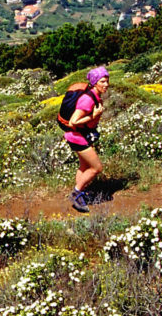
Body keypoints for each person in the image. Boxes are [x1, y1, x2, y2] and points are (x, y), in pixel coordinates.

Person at [64, 66, 109, 213]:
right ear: (95, 82)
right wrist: (93, 116)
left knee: (84, 167)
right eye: (102, 81)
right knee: (96, 168)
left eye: (107, 81)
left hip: (79, 135)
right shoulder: (87, 100)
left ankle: (80, 194)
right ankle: (76, 194)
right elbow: (73, 122)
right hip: (77, 137)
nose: (106, 84)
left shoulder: (94, 95)